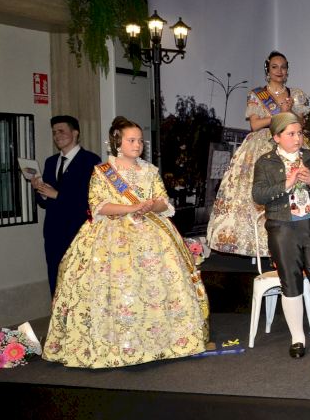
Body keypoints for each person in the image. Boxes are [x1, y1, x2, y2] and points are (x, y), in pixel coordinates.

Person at [43, 117, 208, 368]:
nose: (138, 144)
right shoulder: (102, 171)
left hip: (152, 233)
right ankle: (115, 343)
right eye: (132, 140)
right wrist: (131, 207)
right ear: (117, 142)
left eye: (140, 140)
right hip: (110, 235)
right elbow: (98, 206)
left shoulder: (150, 171)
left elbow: (164, 201)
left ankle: (162, 341)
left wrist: (152, 205)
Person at [251, 112, 310, 358]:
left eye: (299, 133)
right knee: (290, 282)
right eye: (291, 134)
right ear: (277, 137)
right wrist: (286, 185)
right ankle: (297, 338)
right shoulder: (265, 162)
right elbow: (258, 195)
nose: (297, 138)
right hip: (282, 229)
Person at [208, 51, 310, 256]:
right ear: (267, 70)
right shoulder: (257, 94)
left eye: (283, 67)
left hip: (290, 142)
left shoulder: (296, 94)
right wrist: (280, 114)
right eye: (274, 67)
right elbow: (255, 125)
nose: (279, 71)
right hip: (261, 143)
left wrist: (290, 112)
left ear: (287, 70)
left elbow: (301, 123)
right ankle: (256, 243)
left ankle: (294, 240)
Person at [33, 115, 101, 294]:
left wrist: (57, 195)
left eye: (61, 131)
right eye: (54, 132)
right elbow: (43, 202)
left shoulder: (91, 161)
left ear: (75, 133)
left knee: (79, 282)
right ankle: (56, 311)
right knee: (55, 280)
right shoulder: (50, 162)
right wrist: (41, 191)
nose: (57, 136)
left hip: (78, 232)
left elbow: (92, 200)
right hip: (53, 232)